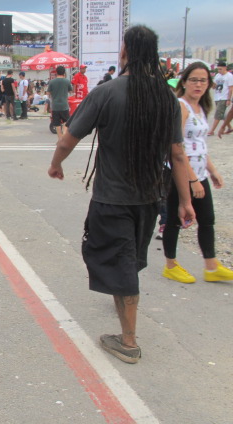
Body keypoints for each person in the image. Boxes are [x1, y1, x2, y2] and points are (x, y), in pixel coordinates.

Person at [48, 25, 196, 364]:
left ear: (125, 51)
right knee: (128, 261)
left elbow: (68, 138)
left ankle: (128, 341)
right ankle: (124, 302)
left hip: (113, 199)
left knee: (121, 266)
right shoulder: (166, 98)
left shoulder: (107, 92)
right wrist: (185, 202)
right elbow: (177, 155)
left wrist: (56, 164)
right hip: (150, 199)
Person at [161, 62, 233, 283]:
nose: (198, 85)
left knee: (207, 219)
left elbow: (199, 144)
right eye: (193, 80)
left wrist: (212, 171)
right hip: (179, 174)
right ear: (184, 82)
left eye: (203, 80)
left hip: (199, 174)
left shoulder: (201, 108)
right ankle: (170, 264)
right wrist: (192, 180)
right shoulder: (180, 106)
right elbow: (178, 149)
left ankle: (211, 266)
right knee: (174, 219)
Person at [46, 66, 74, 138]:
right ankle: (64, 133)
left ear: (56, 72)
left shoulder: (52, 82)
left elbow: (48, 93)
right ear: (64, 72)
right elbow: (71, 92)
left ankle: (60, 138)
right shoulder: (67, 81)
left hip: (55, 106)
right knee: (66, 121)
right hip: (64, 105)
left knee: (57, 123)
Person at [208, 62, 233, 136]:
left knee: (218, 114)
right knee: (221, 114)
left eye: (220, 69)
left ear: (225, 68)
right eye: (218, 69)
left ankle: (212, 130)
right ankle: (229, 127)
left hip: (224, 97)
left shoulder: (229, 76)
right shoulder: (217, 75)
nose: (219, 71)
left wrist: (228, 99)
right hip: (217, 96)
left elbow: (230, 88)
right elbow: (214, 86)